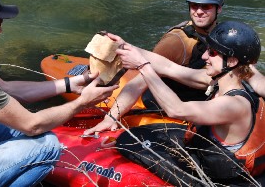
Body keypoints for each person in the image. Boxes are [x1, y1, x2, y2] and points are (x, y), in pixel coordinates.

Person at [0, 0, 118, 187]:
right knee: (48, 146)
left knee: (7, 123)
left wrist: (69, 84)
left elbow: (7, 89)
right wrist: (82, 103)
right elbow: (32, 125)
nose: (1, 30)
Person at [87, 21, 265, 185]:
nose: (204, 56)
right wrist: (125, 47)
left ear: (232, 61)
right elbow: (169, 68)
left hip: (223, 177)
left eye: (212, 52)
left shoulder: (235, 105)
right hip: (212, 154)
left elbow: (176, 109)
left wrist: (142, 66)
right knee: (139, 134)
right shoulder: (220, 81)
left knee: (127, 140)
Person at [141, 0, 225, 108]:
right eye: (194, 5)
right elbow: (143, 77)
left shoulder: (222, 35)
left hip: (202, 100)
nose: (199, 12)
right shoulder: (176, 42)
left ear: (218, 8)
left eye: (206, 6)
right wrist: (112, 117)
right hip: (172, 106)